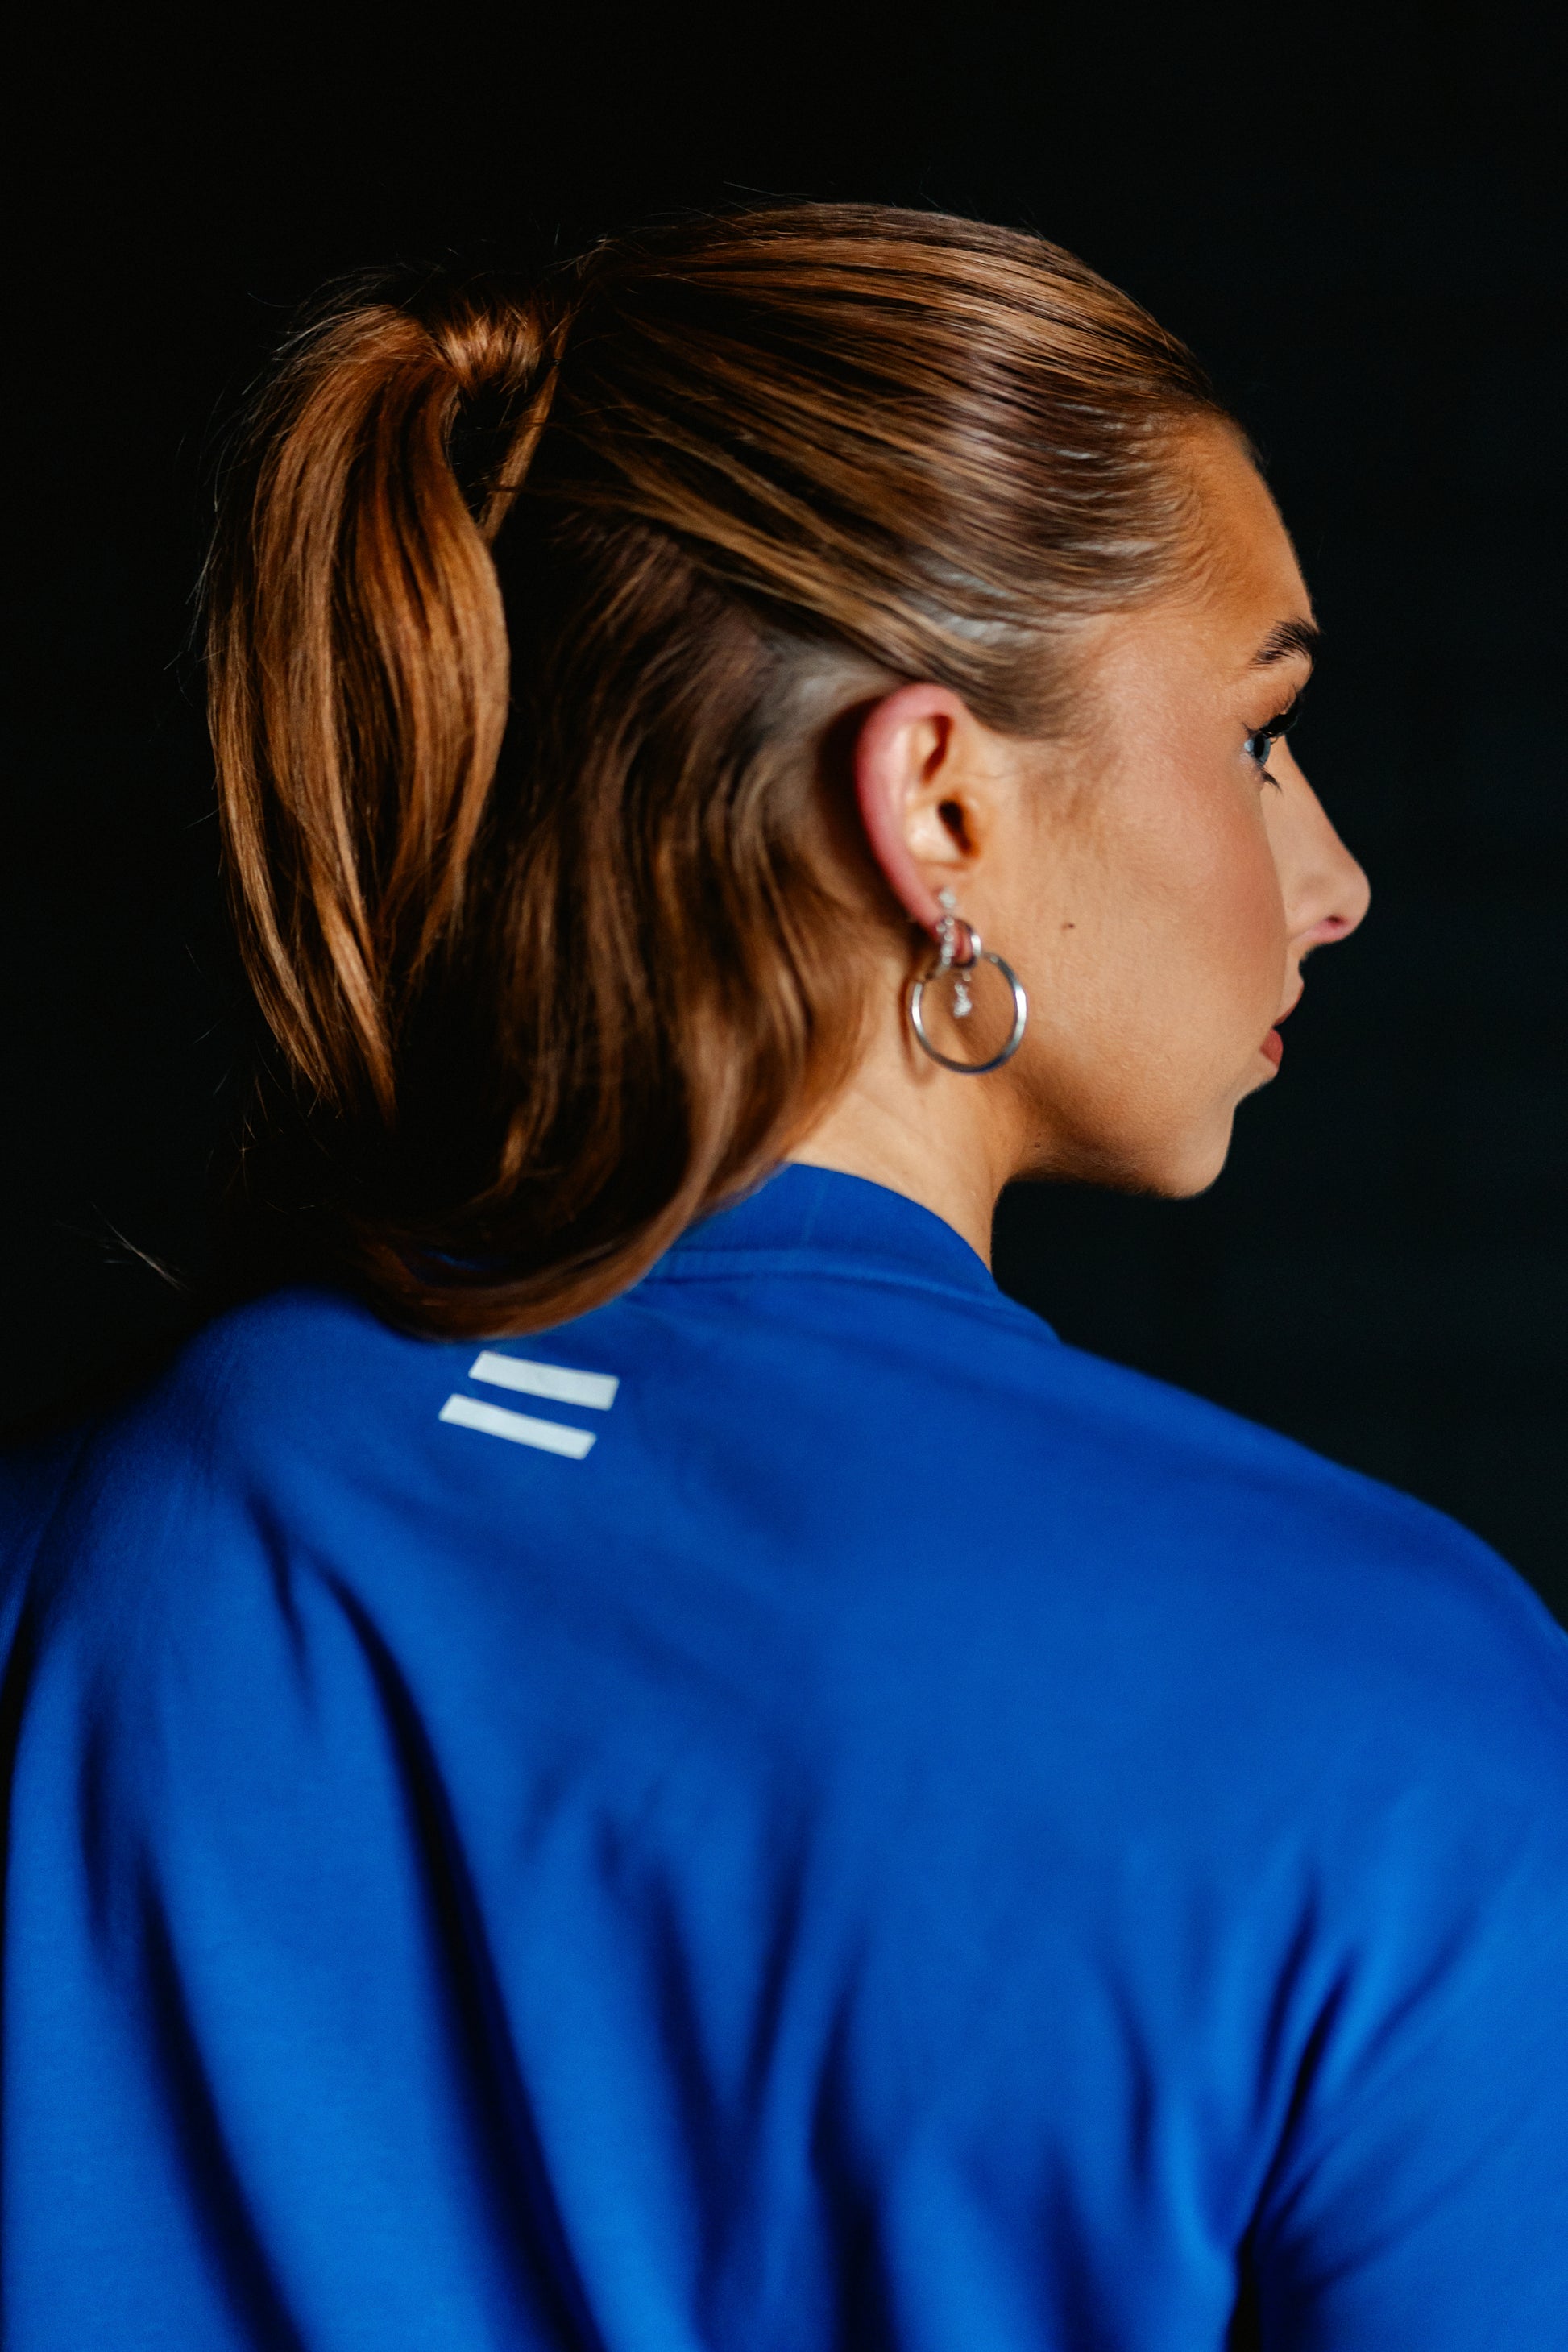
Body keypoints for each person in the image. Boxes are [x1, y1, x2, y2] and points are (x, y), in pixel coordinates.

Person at [2, 205, 1565, 2351]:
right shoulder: (1403, 1705)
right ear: (937, 806)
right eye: (1257, 734)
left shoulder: (73, 1557)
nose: (1334, 876)